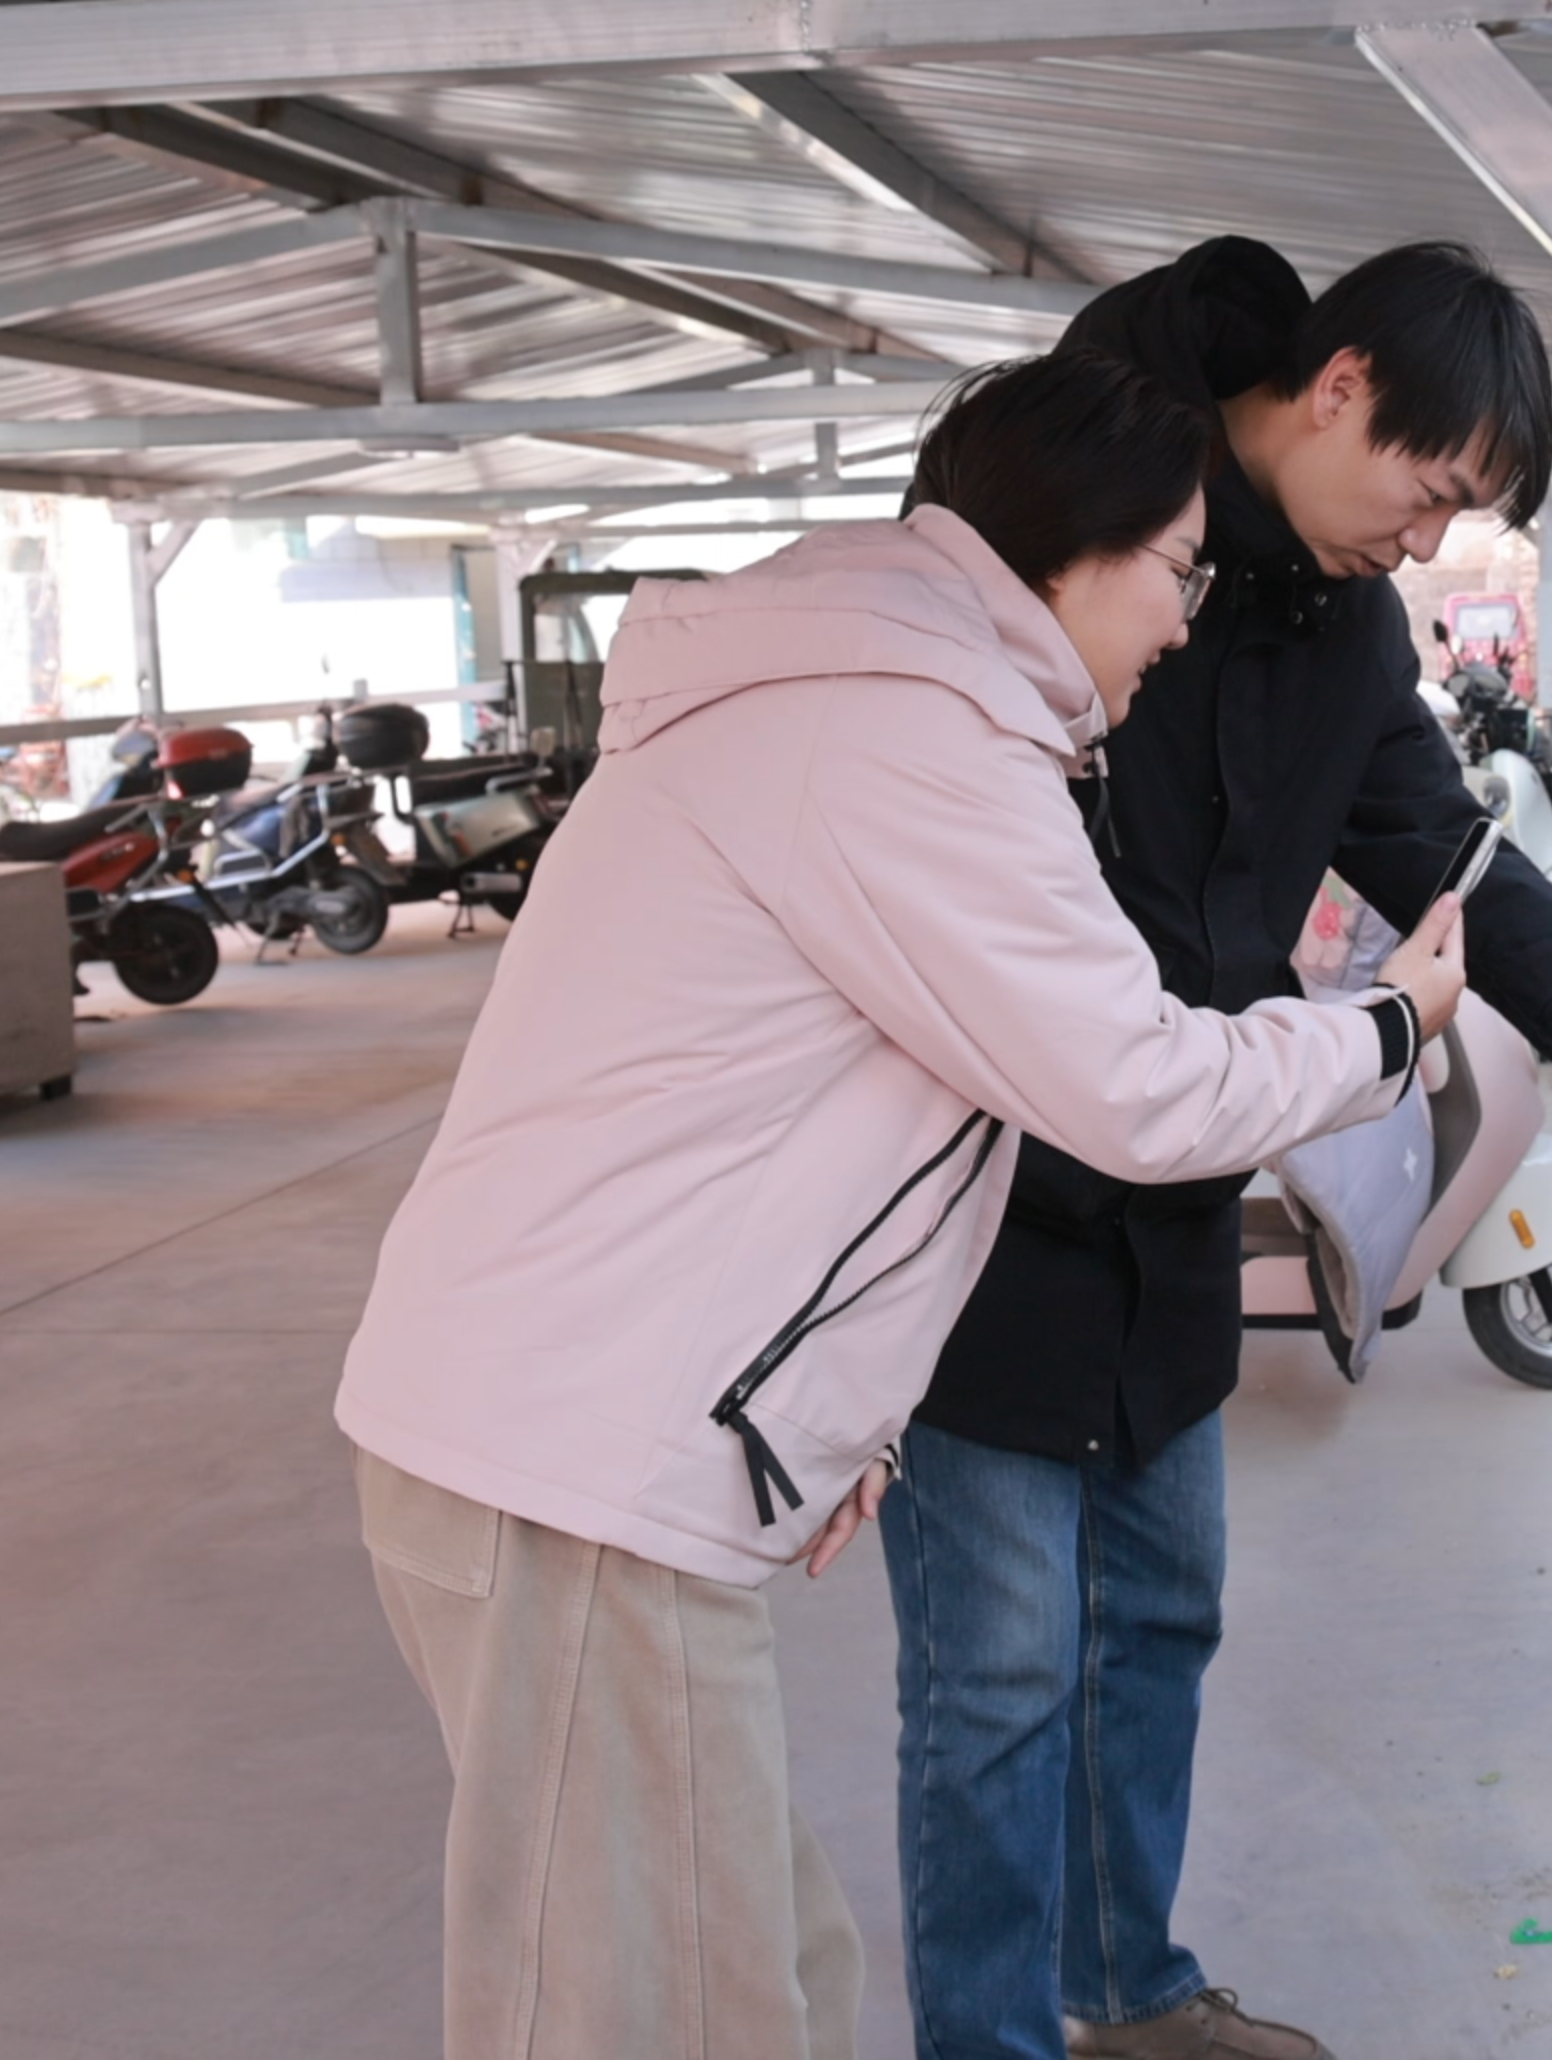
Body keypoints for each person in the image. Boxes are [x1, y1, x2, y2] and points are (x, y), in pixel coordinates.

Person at [332, 350, 1473, 2060]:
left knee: (743, 1968)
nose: (1184, 625)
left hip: (559, 1436)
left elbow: (836, 1126)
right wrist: (1388, 1030)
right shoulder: (905, 734)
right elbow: (1137, 1087)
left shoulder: (867, 694)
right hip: (572, 1468)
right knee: (666, 2013)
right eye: (1177, 572)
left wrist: (836, 1411)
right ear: (1069, 554)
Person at [883, 239, 1552, 2060]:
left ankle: (1128, 1993)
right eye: (1428, 492)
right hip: (979, 1201)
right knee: (996, 1677)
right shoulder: (1058, 519)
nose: (1431, 545)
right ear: (1339, 386)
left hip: (1184, 1183)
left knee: (1160, 1619)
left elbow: (1434, 841)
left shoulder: (1345, 623)